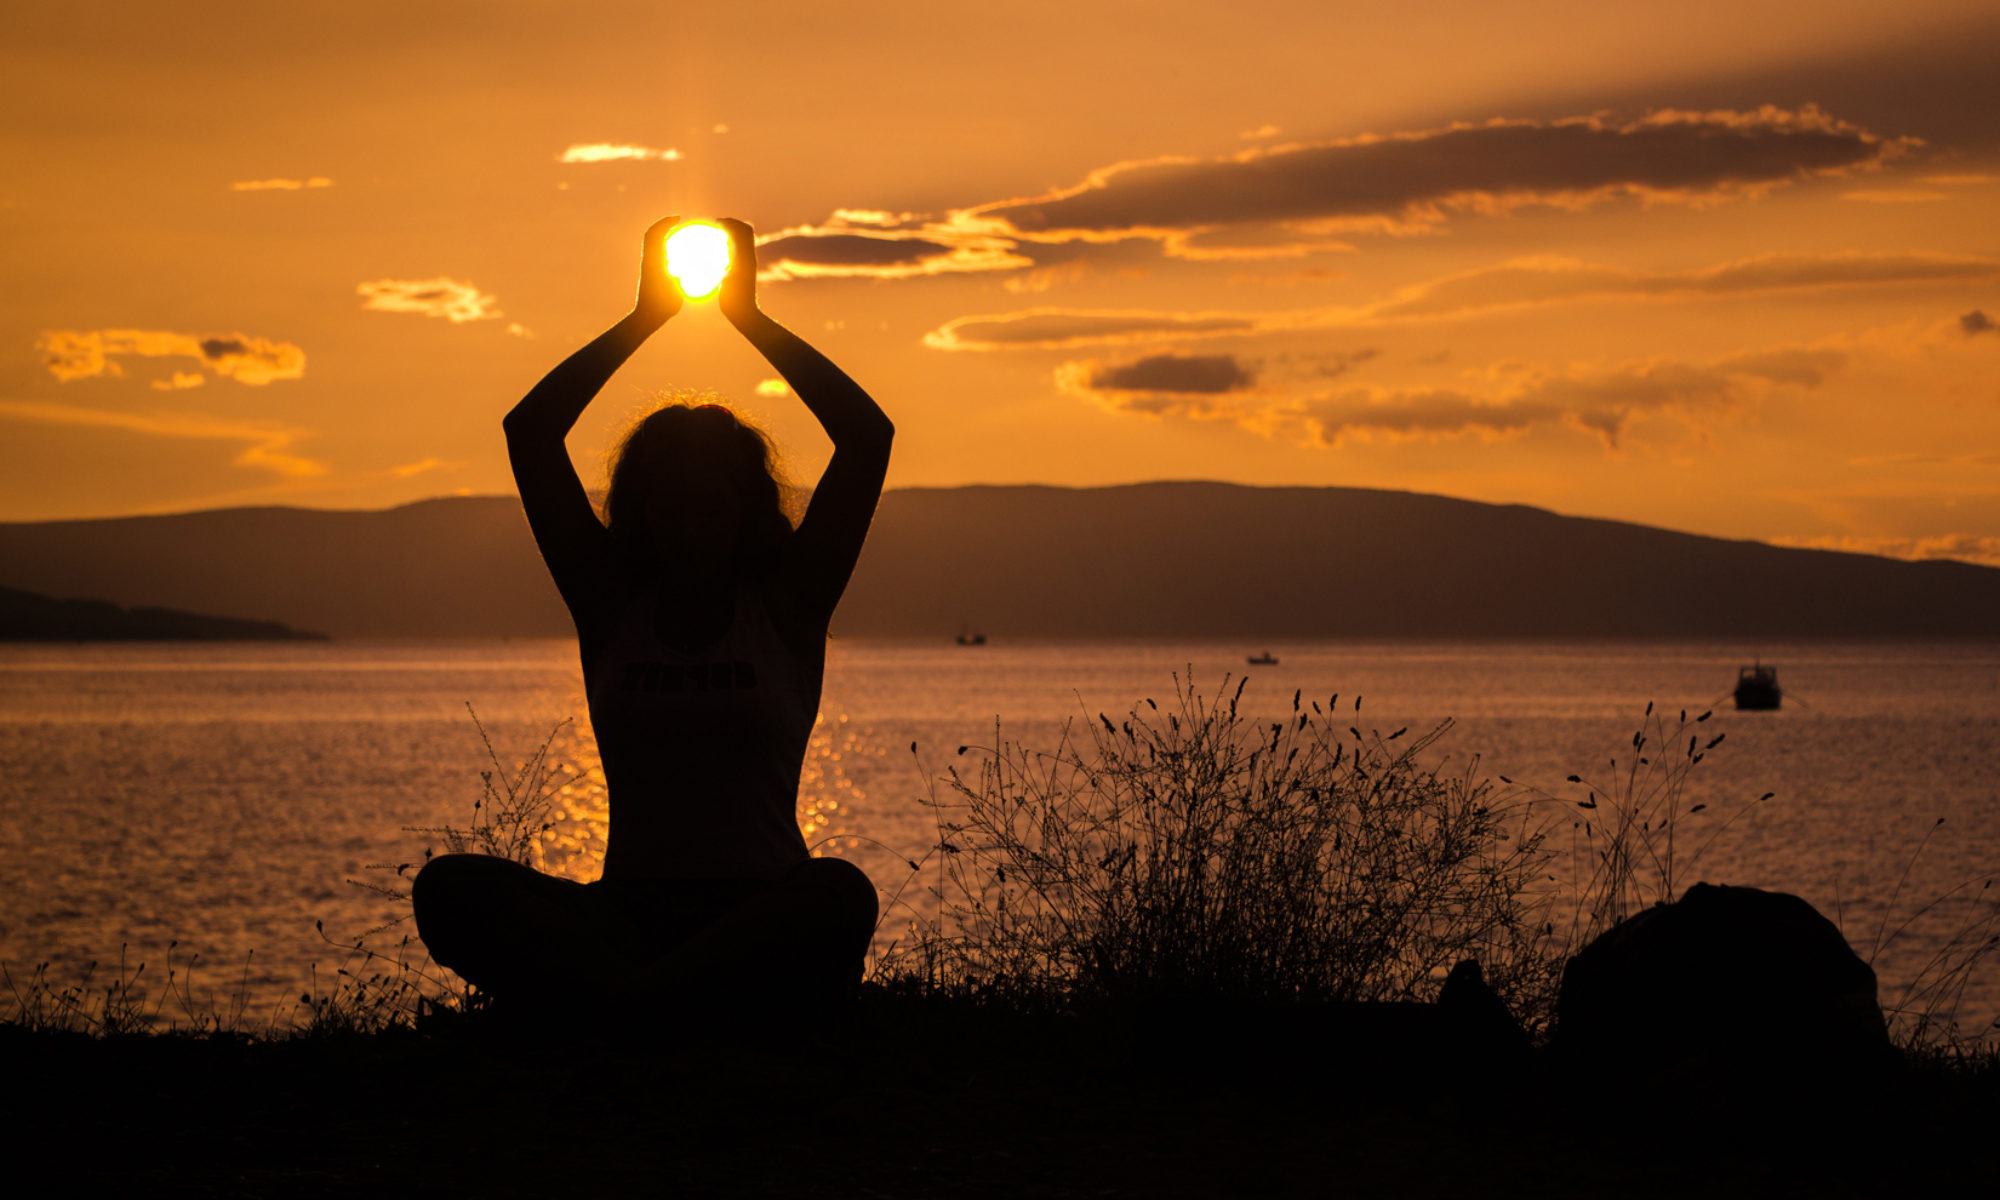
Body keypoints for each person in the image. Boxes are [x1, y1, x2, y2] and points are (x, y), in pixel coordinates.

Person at [412, 216, 890, 1023]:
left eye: (711, 501)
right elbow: (530, 433)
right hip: (628, 916)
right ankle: (663, 1005)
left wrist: (750, 319)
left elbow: (866, 437)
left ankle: (627, 1009)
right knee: (449, 889)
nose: (689, 520)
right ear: (639, 510)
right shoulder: (609, 604)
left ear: (746, 508)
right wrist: (646, 318)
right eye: (668, 501)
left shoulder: (787, 604)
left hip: (758, 912)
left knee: (839, 893)